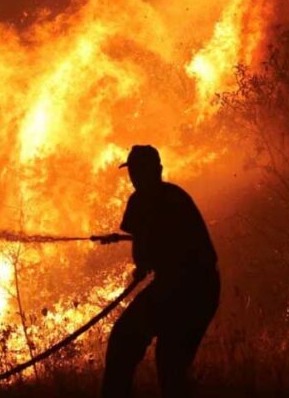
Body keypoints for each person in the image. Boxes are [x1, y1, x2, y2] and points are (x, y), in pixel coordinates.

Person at [98, 144, 220, 398]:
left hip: (187, 287)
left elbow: (144, 254)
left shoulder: (147, 200)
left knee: (137, 345)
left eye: (138, 170)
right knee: (169, 363)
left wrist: (142, 265)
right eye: (133, 171)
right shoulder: (173, 196)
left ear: (157, 170)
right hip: (198, 287)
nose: (134, 177)